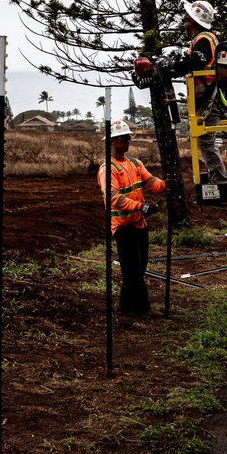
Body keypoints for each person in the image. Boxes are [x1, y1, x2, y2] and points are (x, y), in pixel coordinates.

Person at [98, 118, 167, 315]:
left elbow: (150, 181)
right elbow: (114, 198)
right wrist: (141, 206)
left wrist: (164, 185)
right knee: (131, 269)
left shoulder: (135, 164)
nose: (126, 142)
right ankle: (141, 308)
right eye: (121, 139)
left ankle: (125, 306)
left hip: (138, 222)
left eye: (127, 138)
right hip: (121, 225)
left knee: (139, 266)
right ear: (111, 141)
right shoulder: (108, 169)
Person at [166, 0, 227, 184]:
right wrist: (175, 67)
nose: (183, 22)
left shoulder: (203, 40)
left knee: (206, 143)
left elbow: (196, 62)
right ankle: (217, 179)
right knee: (204, 142)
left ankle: (219, 182)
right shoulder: (204, 40)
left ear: (191, 22)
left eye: (185, 18)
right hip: (207, 100)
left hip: (209, 101)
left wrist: (175, 66)